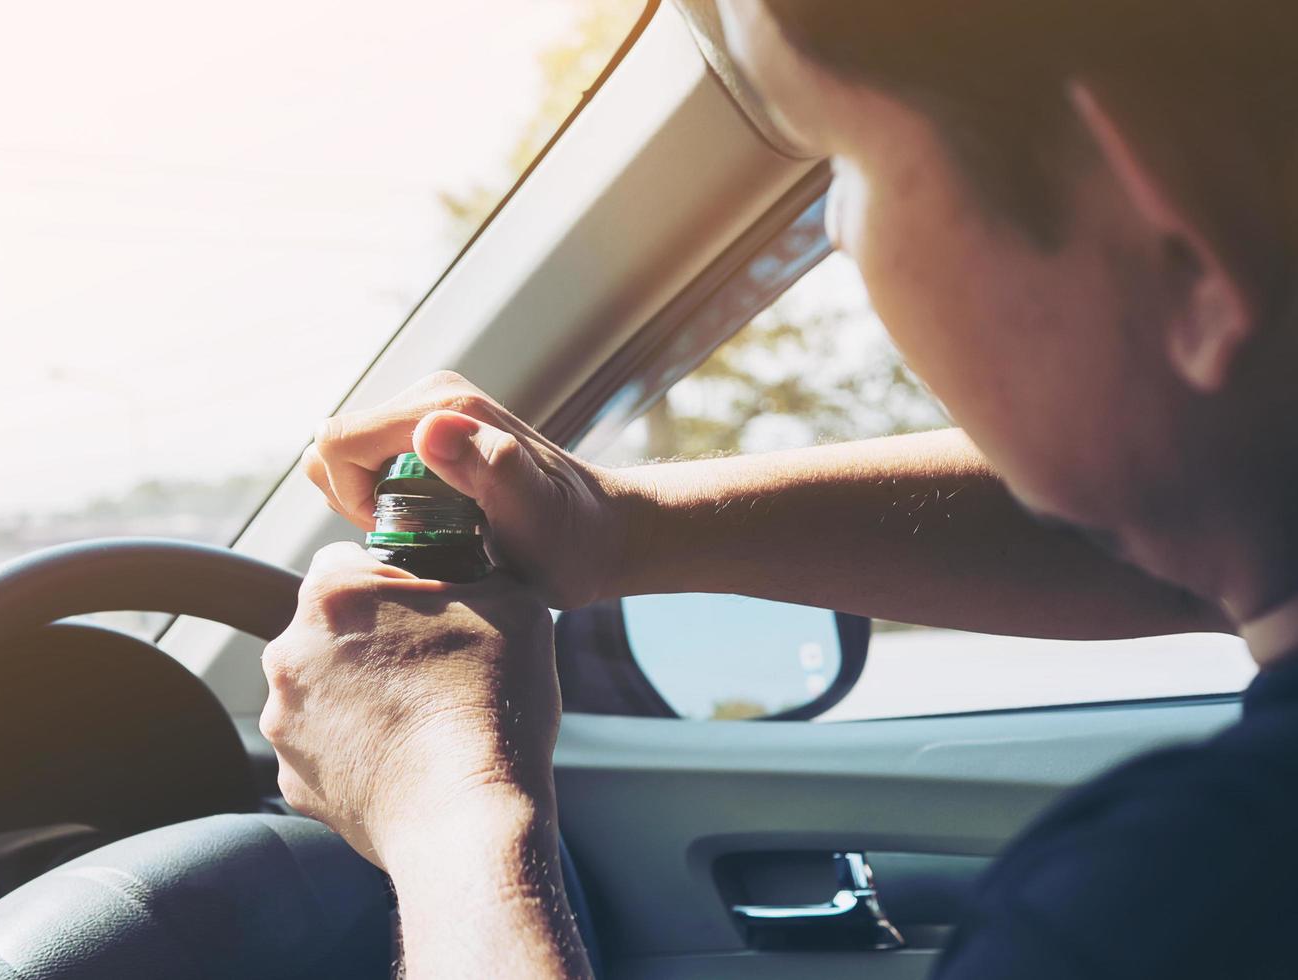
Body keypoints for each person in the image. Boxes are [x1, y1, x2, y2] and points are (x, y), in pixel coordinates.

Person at [257, 0, 1298, 975]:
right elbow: (1189, 531)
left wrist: (448, 808)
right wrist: (618, 530)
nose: (841, 233)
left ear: (1174, 246)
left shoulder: (1173, 903)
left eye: (845, 161)